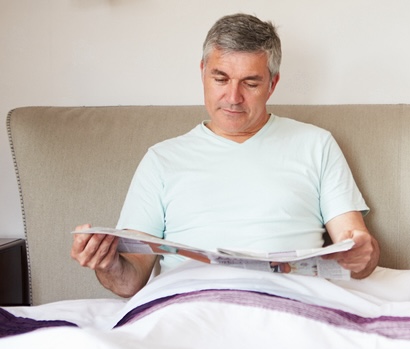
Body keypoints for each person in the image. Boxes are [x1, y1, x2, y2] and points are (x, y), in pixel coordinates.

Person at [71, 13, 380, 297]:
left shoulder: (317, 144)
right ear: (203, 72)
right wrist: (107, 263)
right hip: (187, 309)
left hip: (290, 306)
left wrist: (361, 255)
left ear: (272, 84)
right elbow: (130, 282)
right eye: (220, 79)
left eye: (250, 82)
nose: (233, 98)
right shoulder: (161, 159)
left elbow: (357, 251)